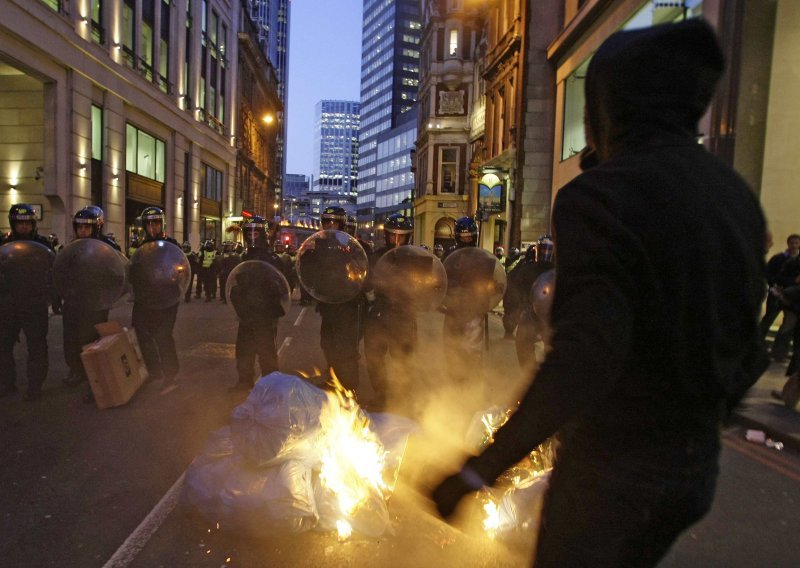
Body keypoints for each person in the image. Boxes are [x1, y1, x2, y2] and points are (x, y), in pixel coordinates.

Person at [432, 20, 769, 568]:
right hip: (692, 474)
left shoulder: (601, 197)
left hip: (612, 472)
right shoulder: (734, 195)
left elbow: (585, 357)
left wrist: (481, 468)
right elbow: (750, 348)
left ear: (609, 106)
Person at [62, 206, 122, 390]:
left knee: (91, 339)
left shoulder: (107, 247)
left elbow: (117, 273)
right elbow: (61, 271)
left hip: (96, 301)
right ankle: (76, 370)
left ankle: (94, 375)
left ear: (96, 227)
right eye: (79, 227)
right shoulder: (71, 248)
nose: (82, 231)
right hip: (74, 300)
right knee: (71, 338)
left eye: (86, 227)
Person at [0, 204, 55, 401]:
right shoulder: (4, 244)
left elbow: (53, 273)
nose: (23, 227)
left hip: (34, 303)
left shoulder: (43, 245)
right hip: (8, 303)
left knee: (37, 345)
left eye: (27, 223)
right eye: (19, 223)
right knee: (3, 346)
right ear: (13, 224)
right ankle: (7, 383)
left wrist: (54, 298)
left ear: (33, 224)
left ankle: (34, 385)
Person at [229, 216, 289, 391]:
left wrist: (268, 296)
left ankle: (271, 385)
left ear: (262, 234)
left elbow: (283, 286)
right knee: (244, 350)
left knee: (266, 352)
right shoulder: (242, 258)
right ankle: (244, 381)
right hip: (246, 313)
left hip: (265, 313)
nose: (253, 235)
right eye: (249, 232)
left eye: (257, 232)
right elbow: (234, 283)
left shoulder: (272, 259)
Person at [364, 213, 414, 409]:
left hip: (404, 316)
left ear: (408, 237)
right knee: (374, 357)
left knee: (404, 359)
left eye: (401, 236)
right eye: (393, 235)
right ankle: (381, 394)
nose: (396, 240)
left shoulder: (414, 258)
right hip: (379, 314)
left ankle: (403, 398)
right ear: (386, 235)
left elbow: (425, 285)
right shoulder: (377, 256)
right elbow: (365, 280)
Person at [131, 206, 182, 393]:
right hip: (145, 298)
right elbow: (133, 272)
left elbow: (180, 268)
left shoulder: (171, 245)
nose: (152, 227)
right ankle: (154, 370)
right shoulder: (140, 248)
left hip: (167, 298)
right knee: (141, 334)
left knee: (163, 335)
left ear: (162, 224)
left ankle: (171, 375)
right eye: (149, 223)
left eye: (156, 223)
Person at [316, 206, 365, 391]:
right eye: (327, 221)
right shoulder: (320, 247)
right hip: (328, 305)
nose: (330, 225)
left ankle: (350, 388)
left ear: (342, 224)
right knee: (327, 343)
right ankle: (333, 380)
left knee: (347, 349)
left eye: (334, 221)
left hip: (348, 306)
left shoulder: (355, 248)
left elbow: (362, 273)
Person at [441, 216, 487, 383]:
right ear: (458, 237)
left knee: (473, 353)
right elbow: (442, 279)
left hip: (474, 311)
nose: (467, 240)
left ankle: (472, 388)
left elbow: (488, 281)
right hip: (453, 311)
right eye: (464, 237)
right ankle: (456, 384)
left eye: (470, 237)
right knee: (452, 350)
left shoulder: (482, 257)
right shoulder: (449, 255)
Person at [759, 234, 800, 360]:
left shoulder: (797, 260)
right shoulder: (778, 258)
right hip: (777, 294)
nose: (794, 245)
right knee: (769, 319)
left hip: (792, 297)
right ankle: (755, 345)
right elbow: (771, 275)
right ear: (788, 244)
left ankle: (779, 353)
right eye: (792, 243)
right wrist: (787, 283)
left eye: (796, 243)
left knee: (787, 325)